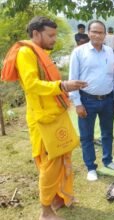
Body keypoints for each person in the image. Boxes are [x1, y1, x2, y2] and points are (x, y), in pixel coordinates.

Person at [1, 16, 87, 220]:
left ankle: (58, 198)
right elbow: (31, 84)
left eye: (55, 34)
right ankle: (45, 210)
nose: (54, 39)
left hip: (54, 114)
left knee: (62, 156)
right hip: (42, 118)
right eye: (50, 35)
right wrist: (63, 86)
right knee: (50, 163)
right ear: (36, 34)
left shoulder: (40, 53)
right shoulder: (25, 53)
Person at [69, 20, 114, 181]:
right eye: (94, 32)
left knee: (107, 133)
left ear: (105, 35)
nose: (97, 35)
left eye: (101, 32)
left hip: (107, 100)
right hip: (87, 100)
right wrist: (77, 104)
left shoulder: (109, 52)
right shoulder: (79, 52)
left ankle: (108, 160)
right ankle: (91, 167)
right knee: (87, 136)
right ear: (89, 33)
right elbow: (73, 79)